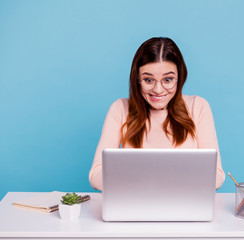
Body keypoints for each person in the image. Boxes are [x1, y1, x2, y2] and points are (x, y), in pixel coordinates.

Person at [89, 37, 225, 191]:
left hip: (182, 204)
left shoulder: (198, 106)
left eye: (168, 79)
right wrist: (157, 182)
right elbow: (96, 174)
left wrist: (150, 180)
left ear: (179, 78)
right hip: (136, 204)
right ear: (137, 80)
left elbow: (217, 175)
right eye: (148, 80)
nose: (158, 90)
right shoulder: (120, 108)